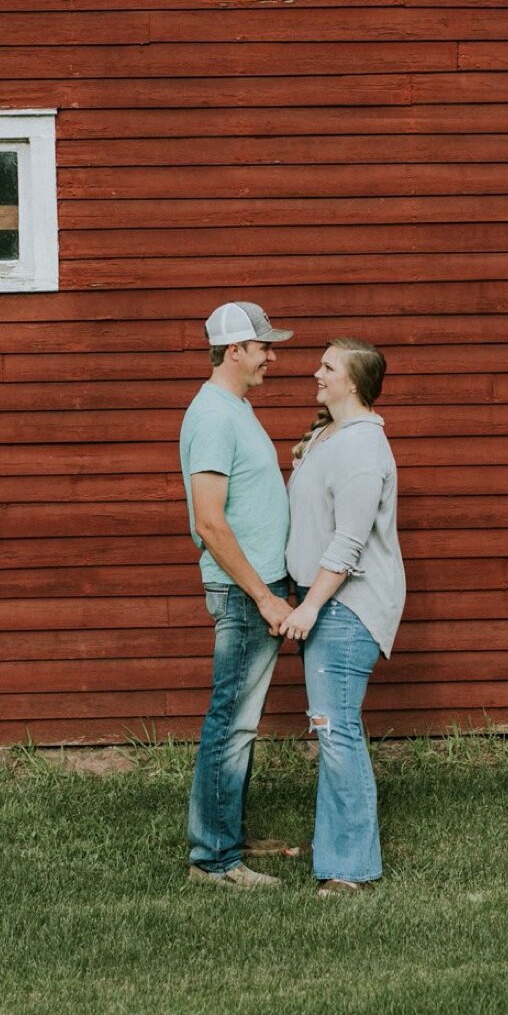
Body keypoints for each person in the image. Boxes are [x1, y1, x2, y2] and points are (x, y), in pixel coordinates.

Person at [280, 339, 405, 895]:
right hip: (323, 599)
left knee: (337, 731)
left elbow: (350, 541)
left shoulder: (361, 449)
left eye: (327, 366)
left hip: (345, 606)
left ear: (352, 381)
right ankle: (336, 846)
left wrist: (309, 605)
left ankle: (350, 869)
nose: (316, 371)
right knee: (331, 728)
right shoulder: (332, 438)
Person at [179, 300, 296, 889]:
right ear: (235, 351)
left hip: (260, 588)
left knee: (241, 721)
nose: (272, 358)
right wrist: (265, 597)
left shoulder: (236, 408)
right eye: (264, 347)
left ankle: (231, 835)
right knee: (231, 722)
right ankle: (214, 860)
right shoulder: (214, 416)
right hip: (245, 593)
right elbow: (210, 521)